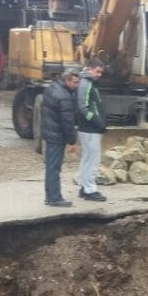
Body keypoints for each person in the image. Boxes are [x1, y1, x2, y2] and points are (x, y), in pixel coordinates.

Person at [41, 68, 80, 207]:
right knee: (54, 168)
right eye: (75, 82)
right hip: (57, 135)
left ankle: (50, 196)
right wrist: (72, 141)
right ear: (67, 80)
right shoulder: (64, 96)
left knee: (51, 166)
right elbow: (67, 121)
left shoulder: (52, 88)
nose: (77, 85)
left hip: (50, 132)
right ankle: (54, 197)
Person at [76, 58, 107, 201]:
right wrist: (97, 122)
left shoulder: (88, 82)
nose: (99, 75)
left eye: (101, 72)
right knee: (93, 159)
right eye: (97, 71)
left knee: (87, 158)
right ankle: (90, 190)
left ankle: (84, 186)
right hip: (90, 128)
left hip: (88, 128)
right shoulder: (86, 83)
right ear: (90, 69)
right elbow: (83, 106)